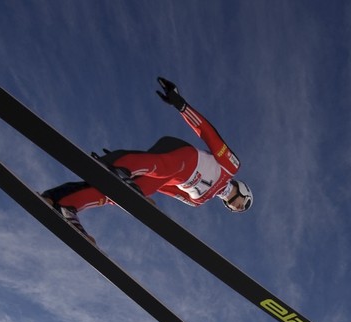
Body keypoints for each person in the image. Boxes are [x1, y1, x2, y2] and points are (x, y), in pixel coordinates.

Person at [41, 78, 252, 242]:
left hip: (163, 176)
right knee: (165, 168)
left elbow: (166, 188)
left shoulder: (198, 200)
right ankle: (120, 166)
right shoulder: (231, 167)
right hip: (180, 156)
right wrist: (182, 106)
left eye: (240, 210)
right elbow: (208, 134)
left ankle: (65, 204)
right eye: (244, 205)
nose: (239, 208)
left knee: (122, 193)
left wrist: (134, 183)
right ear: (244, 190)